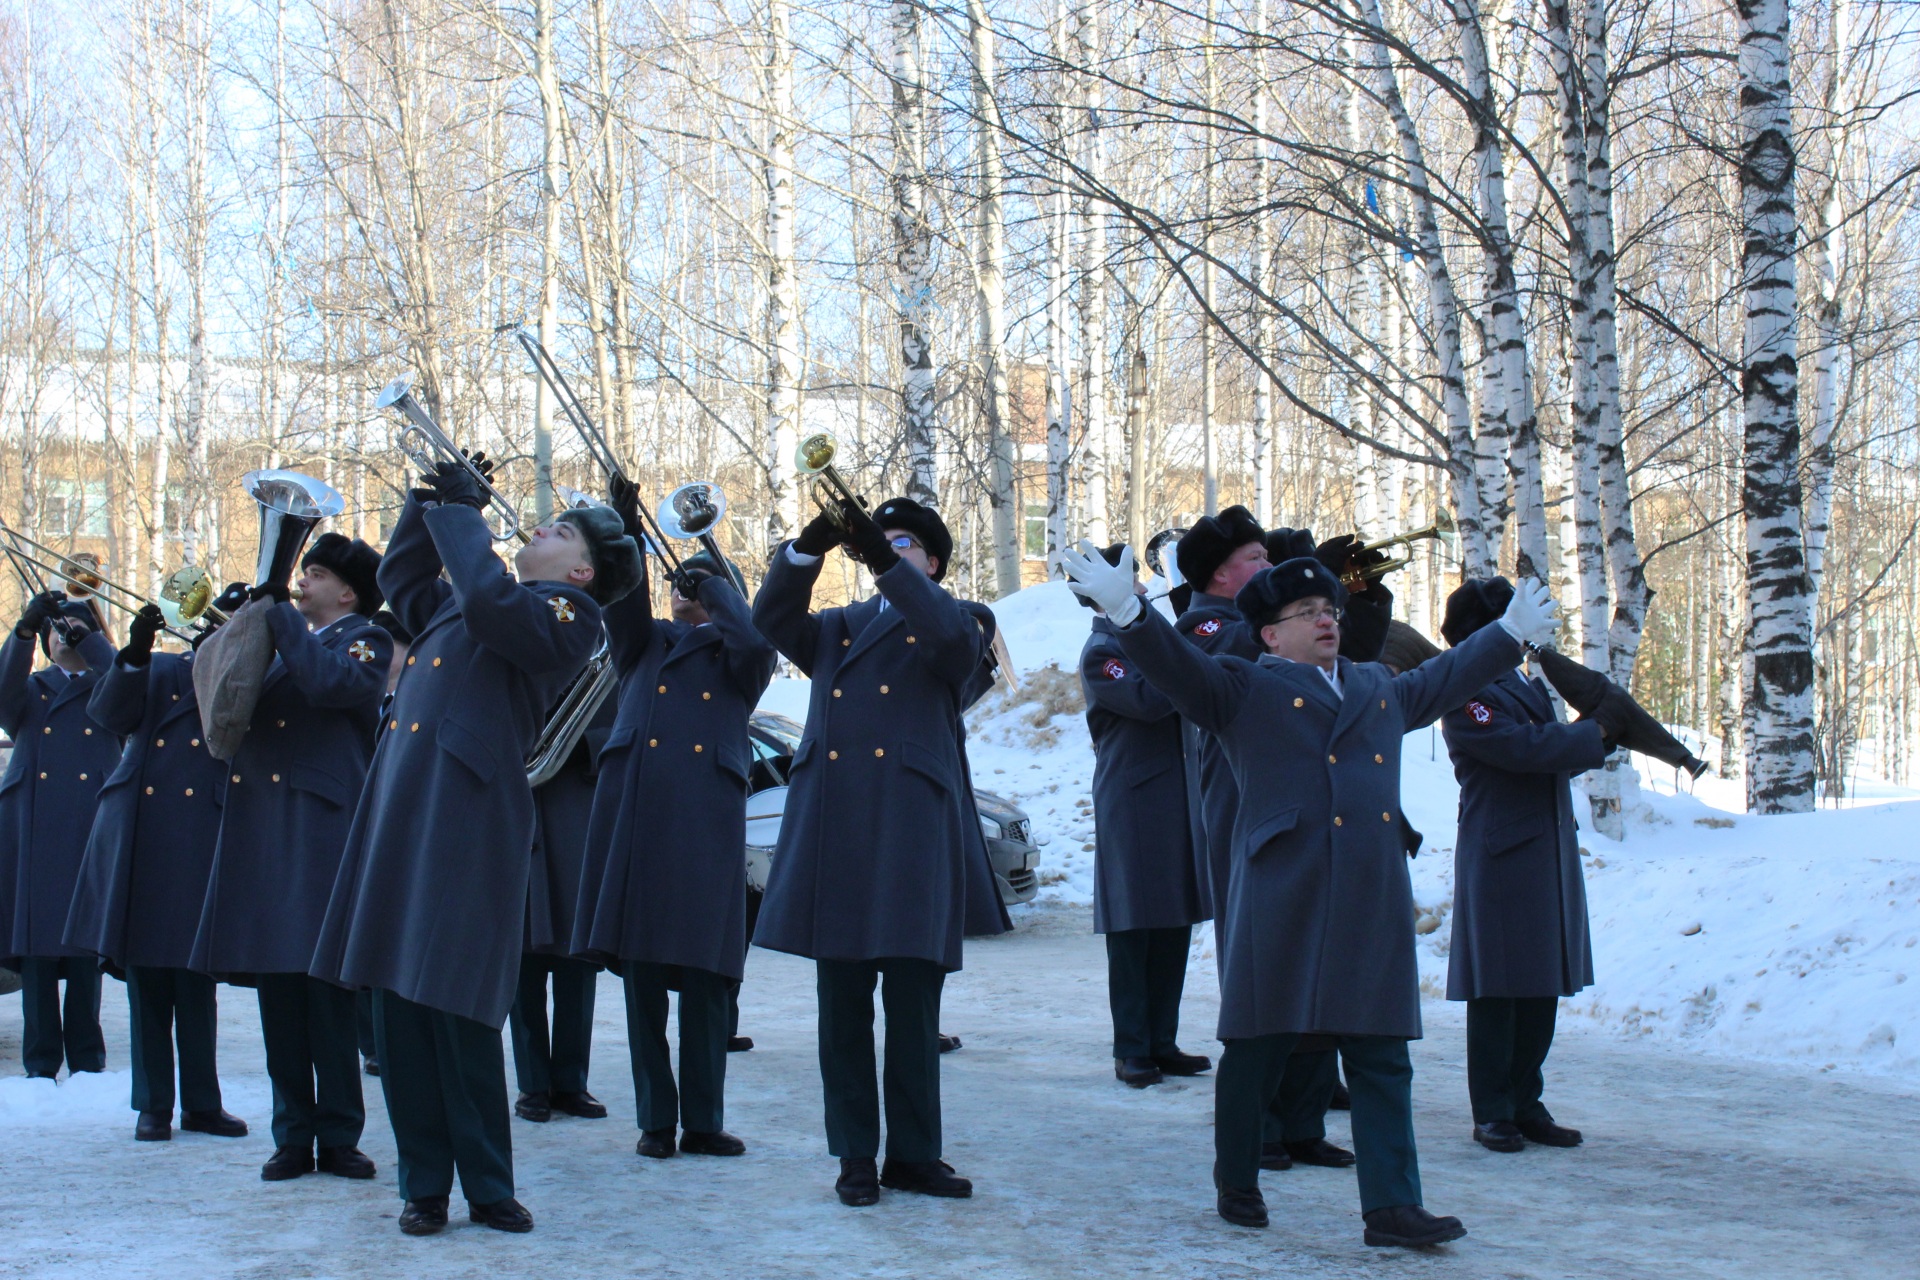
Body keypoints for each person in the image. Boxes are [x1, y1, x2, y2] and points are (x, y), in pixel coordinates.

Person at [1058, 541, 1560, 1249]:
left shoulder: (1374, 687)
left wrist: (1506, 637)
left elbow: (1443, 679)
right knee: (1259, 1047)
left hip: (1369, 896)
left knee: (1383, 1055)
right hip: (1282, 894)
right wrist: (1127, 612)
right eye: (1304, 612)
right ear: (1269, 632)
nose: (1325, 620)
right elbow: (1178, 671)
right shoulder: (1240, 687)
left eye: (1329, 609)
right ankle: (1238, 1177)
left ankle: (1392, 1207)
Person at [310, 458, 639, 1237]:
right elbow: (404, 576)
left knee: (455, 1007)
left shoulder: (569, 617)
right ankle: (423, 1185)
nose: (540, 529)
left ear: (582, 569)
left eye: (557, 531)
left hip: (466, 818)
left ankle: (487, 1185)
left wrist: (464, 520)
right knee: (397, 1008)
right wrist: (429, 503)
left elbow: (492, 605)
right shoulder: (472, 602)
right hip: (401, 810)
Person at [751, 495, 1008, 1208]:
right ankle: (856, 1155)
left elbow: (951, 645)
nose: (888, 551)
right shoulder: (837, 629)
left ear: (933, 562)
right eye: (880, 541)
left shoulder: (963, 621)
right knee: (842, 1010)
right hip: (836, 830)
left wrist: (886, 561)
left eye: (906, 545)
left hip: (910, 833)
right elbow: (768, 622)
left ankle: (916, 1155)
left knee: (913, 1010)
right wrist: (807, 549)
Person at [575, 485, 776, 1161]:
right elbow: (621, 603)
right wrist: (626, 531)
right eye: (680, 586)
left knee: (705, 985)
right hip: (639, 826)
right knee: (643, 992)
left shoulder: (739, 656)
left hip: (703, 828)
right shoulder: (645, 645)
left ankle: (705, 1121)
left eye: (696, 588)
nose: (680, 592)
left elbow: (755, 637)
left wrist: (718, 589)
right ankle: (656, 1122)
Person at [190, 534, 389, 1186]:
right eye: (302, 575)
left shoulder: (365, 639)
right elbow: (225, 698)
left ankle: (338, 1134)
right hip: (270, 831)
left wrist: (276, 617)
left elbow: (331, 686)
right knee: (279, 994)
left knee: (326, 998)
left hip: (321, 830)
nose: (303, 585)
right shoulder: (284, 643)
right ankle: (291, 1133)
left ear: (349, 592)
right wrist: (238, 626)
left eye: (317, 575)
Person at [1175, 511, 1345, 1170]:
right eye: (1257, 558)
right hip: (1244, 807)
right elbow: (1241, 673)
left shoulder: (1270, 622)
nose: (1268, 567)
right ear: (1222, 574)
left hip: (1300, 806)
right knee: (1265, 978)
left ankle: (1303, 1117)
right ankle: (1265, 1126)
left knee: (1318, 965)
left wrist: (1352, 593)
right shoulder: (1209, 626)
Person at [1438, 577, 1614, 1154]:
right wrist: (1595, 736)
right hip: (1501, 854)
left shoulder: (1520, 682)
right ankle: (1492, 1108)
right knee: (1498, 991)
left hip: (1542, 849)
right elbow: (1520, 750)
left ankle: (1525, 1099)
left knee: (1539, 985)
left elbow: (1542, 743)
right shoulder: (1467, 691)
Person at [64, 599, 247, 1141]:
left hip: (200, 826)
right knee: (145, 972)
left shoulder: (239, 668)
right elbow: (111, 716)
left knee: (195, 977)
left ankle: (201, 1103)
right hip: (142, 827)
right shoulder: (162, 667)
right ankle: (153, 1104)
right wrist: (136, 652)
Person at [1075, 544, 1208, 1088]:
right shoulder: (1101, 651)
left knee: (1174, 917)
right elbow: (1154, 699)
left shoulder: (1152, 638)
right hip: (1131, 797)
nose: (1143, 587)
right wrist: (1182, 659)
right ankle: (1131, 1046)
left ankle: (1162, 1040)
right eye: (1132, 580)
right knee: (1133, 924)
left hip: (1175, 792)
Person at [0, 593, 119, 1080]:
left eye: (74, 627)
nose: (61, 635)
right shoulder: (31, 688)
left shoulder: (108, 683)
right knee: (37, 945)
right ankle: (42, 1059)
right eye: (55, 628)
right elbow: (2, 693)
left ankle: (88, 1057)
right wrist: (22, 632)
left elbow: (128, 688)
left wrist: (93, 646)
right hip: (34, 823)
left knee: (85, 942)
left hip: (91, 820)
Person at [509, 690, 615, 1126]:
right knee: (522, 969)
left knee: (577, 966)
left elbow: (621, 732)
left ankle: (571, 1082)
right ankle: (532, 1084)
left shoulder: (601, 661)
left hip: (576, 819)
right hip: (519, 818)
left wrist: (579, 746)